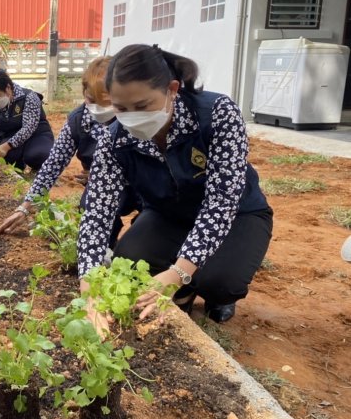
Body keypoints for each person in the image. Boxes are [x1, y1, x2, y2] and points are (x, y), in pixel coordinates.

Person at [77, 44, 273, 332]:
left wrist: (180, 271)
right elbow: (97, 212)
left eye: (142, 106)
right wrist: (89, 287)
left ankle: (213, 295)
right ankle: (181, 288)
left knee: (219, 281)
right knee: (128, 262)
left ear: (172, 89)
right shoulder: (114, 139)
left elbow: (221, 203)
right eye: (121, 109)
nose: (132, 117)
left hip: (237, 215)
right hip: (169, 213)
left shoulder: (216, 114)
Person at [0, 57, 123, 235]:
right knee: (91, 211)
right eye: (92, 99)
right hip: (102, 186)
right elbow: (53, 164)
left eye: (106, 102)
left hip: (143, 187)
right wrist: (25, 206)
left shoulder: (133, 119)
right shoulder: (79, 119)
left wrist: (108, 170)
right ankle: (108, 251)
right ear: (84, 93)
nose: (99, 108)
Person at [0, 69, 55, 172]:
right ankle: (20, 167)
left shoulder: (29, 97)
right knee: (4, 156)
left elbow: (28, 128)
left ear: (7, 88)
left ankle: (39, 169)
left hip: (37, 135)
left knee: (38, 155)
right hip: (12, 137)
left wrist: (7, 146)